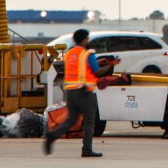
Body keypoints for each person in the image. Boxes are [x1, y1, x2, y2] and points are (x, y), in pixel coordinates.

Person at [45, 29, 120, 158]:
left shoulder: (69, 54)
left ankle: (53, 135)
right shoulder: (87, 54)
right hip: (84, 92)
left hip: (71, 91)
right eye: (87, 38)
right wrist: (111, 65)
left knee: (71, 120)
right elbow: (97, 72)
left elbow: (81, 67)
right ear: (84, 39)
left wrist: (98, 62)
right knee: (89, 121)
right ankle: (87, 149)